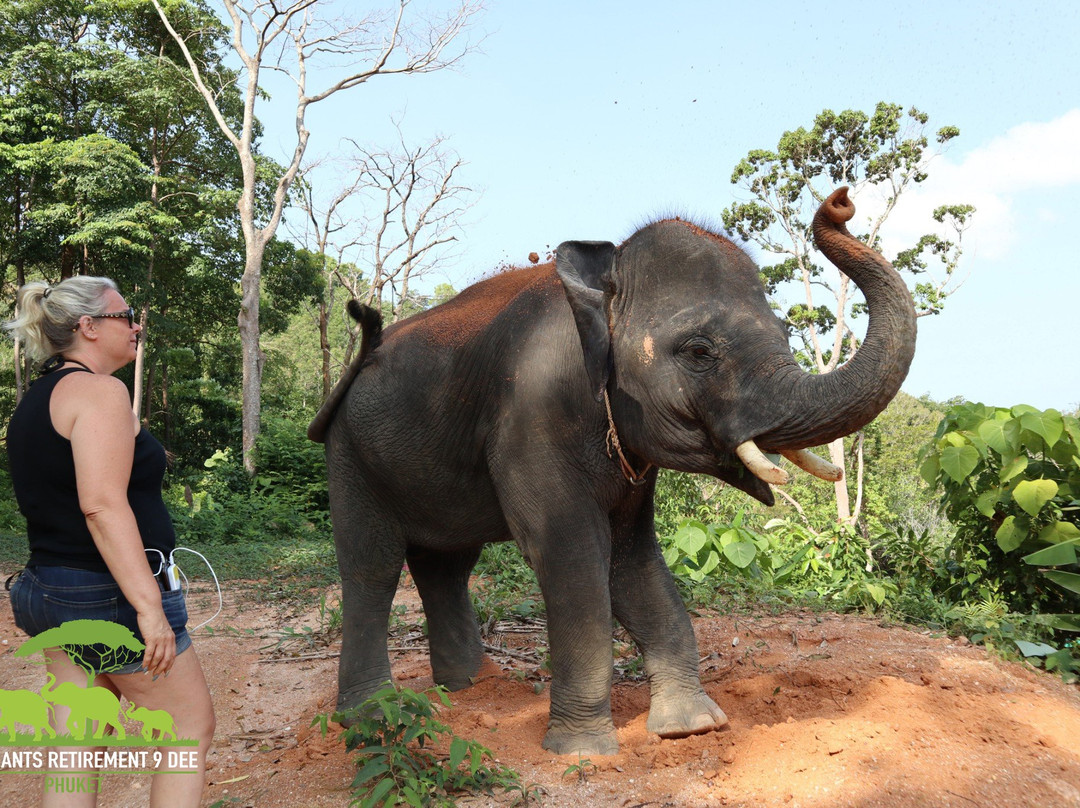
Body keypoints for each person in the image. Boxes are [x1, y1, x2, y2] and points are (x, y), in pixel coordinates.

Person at [4, 277, 215, 807]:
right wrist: (149, 608)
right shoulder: (100, 392)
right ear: (89, 327)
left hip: (51, 590)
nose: (137, 326)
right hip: (105, 596)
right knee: (186, 729)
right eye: (126, 316)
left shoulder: (35, 401)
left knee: (76, 742)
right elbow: (100, 505)